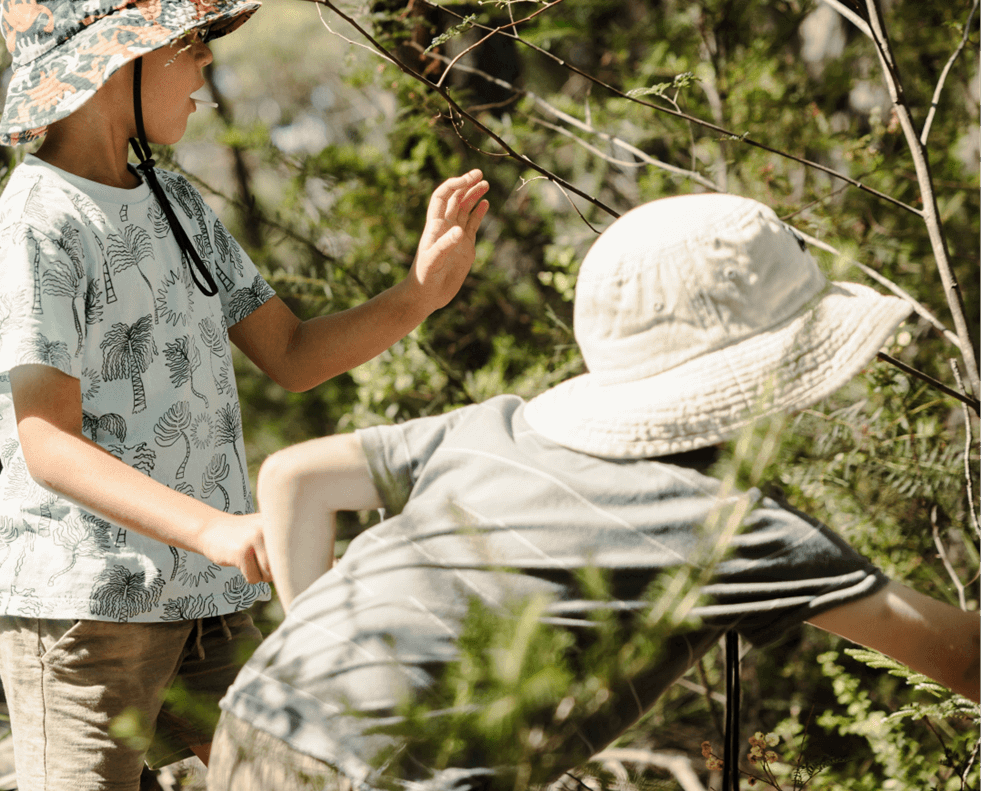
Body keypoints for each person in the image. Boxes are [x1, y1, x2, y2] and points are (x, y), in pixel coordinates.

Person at [0, 0, 490, 789]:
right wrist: (215, 529)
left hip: (206, 599)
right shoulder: (39, 224)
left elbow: (289, 352)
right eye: (187, 41)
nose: (206, 63)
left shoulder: (175, 202)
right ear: (111, 61)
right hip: (82, 608)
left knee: (298, 775)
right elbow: (45, 444)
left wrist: (417, 296)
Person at [213, 193, 979, 790]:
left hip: (259, 719)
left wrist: (326, 646)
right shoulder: (726, 525)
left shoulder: (496, 428)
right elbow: (964, 661)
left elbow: (291, 477)